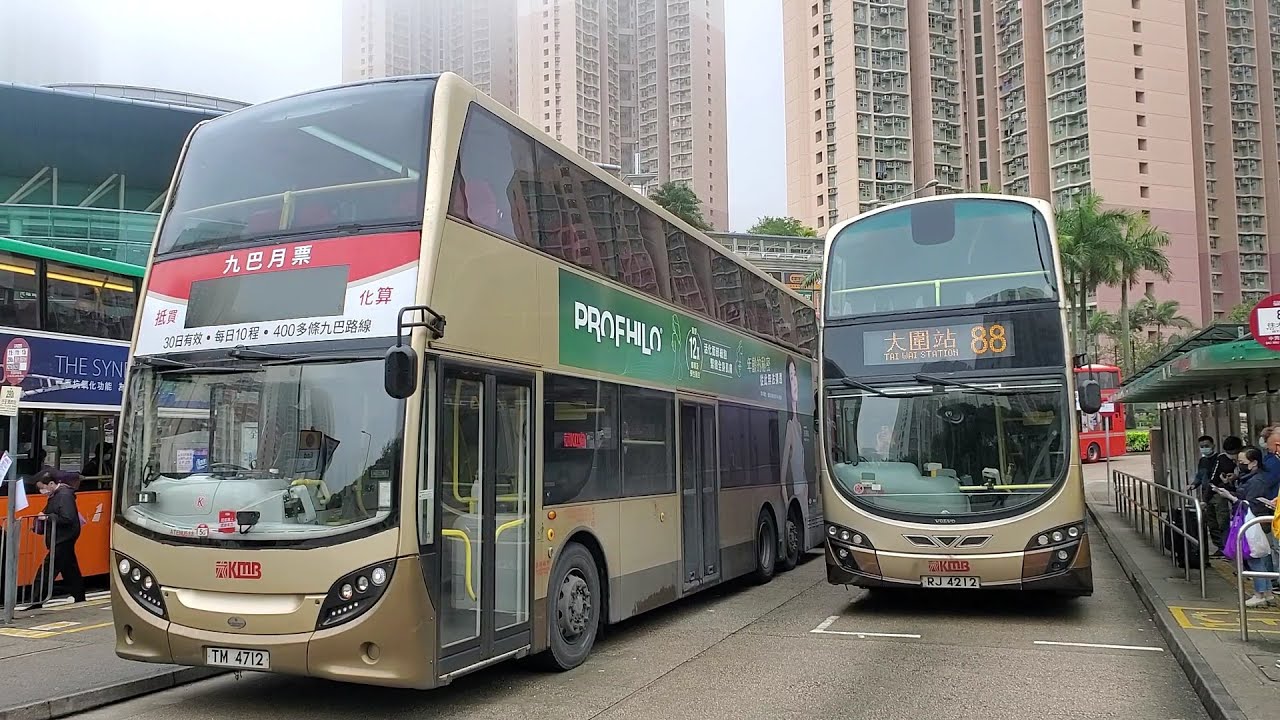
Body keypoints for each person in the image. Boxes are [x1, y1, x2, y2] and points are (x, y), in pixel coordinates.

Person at [1213, 446, 1278, 607]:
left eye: (1242, 462)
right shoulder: (1250, 477)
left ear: (1254, 462)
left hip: (1254, 521)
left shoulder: (1257, 480)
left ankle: (1260, 593)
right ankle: (1266, 592)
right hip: (1254, 520)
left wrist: (1231, 497)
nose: (1239, 464)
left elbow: (1251, 503)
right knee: (1259, 557)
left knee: (1254, 557)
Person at [25, 471, 85, 608]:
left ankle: (36, 600)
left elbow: (67, 518)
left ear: (51, 484)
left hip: (62, 539)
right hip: (62, 537)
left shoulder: (63, 496)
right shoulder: (59, 495)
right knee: (70, 569)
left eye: (43, 487)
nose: (41, 491)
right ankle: (79, 595)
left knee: (47, 570)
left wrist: (46, 517)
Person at [1189, 435, 1239, 557]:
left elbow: (1216, 478)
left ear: (1213, 446)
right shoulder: (1203, 460)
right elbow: (1201, 475)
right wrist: (1194, 484)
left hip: (1219, 493)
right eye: (1202, 446)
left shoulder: (1220, 459)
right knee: (1212, 522)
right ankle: (1220, 548)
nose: (1204, 448)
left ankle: (1227, 548)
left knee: (1222, 522)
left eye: (1207, 446)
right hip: (1207, 493)